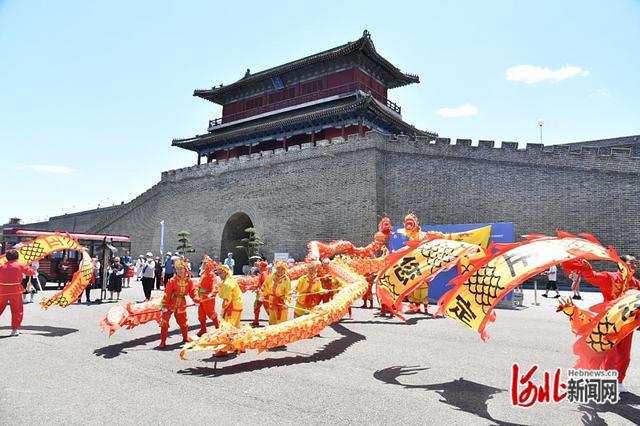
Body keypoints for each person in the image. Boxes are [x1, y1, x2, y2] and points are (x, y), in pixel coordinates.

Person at [561, 255, 640, 394]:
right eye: (632, 262)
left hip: (626, 325)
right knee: (610, 355)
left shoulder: (636, 283)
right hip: (609, 324)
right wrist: (586, 268)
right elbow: (593, 277)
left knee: (624, 355)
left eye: (636, 262)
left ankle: (619, 381)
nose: (635, 264)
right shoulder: (610, 277)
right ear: (621, 263)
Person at [158, 259, 200, 348]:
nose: (179, 271)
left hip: (181, 303)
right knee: (164, 321)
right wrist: (164, 305)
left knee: (183, 321)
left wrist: (196, 300)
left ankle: (185, 337)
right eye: (177, 269)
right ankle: (163, 341)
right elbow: (167, 293)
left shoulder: (189, 281)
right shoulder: (172, 281)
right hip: (170, 303)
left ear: (185, 269)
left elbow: (193, 291)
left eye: (181, 269)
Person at [0, 250, 35, 336]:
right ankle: (15, 330)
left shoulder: (2, 266)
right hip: (15, 290)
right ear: (17, 257)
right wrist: (32, 269)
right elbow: (31, 272)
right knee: (17, 310)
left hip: (2, 290)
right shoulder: (20, 265)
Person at [261, 261, 291, 326]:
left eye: (282, 269)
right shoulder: (270, 277)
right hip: (272, 301)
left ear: (285, 270)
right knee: (272, 320)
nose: (280, 270)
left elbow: (288, 293)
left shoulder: (286, 279)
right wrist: (262, 295)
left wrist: (287, 302)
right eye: (278, 268)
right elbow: (264, 286)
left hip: (281, 302)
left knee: (281, 322)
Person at [196, 256, 220, 337]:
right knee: (201, 314)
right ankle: (203, 329)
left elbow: (215, 285)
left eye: (205, 263)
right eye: (203, 263)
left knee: (211, 313)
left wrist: (212, 293)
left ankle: (218, 328)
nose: (204, 264)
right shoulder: (203, 273)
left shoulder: (211, 274)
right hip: (201, 297)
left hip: (208, 297)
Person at [251, 261, 270, 326]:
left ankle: (274, 321)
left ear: (261, 267)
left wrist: (260, 290)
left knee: (268, 309)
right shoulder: (265, 273)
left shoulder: (264, 274)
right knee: (256, 306)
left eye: (259, 266)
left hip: (263, 295)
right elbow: (260, 283)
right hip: (261, 294)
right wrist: (255, 287)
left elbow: (264, 284)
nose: (258, 268)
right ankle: (256, 320)